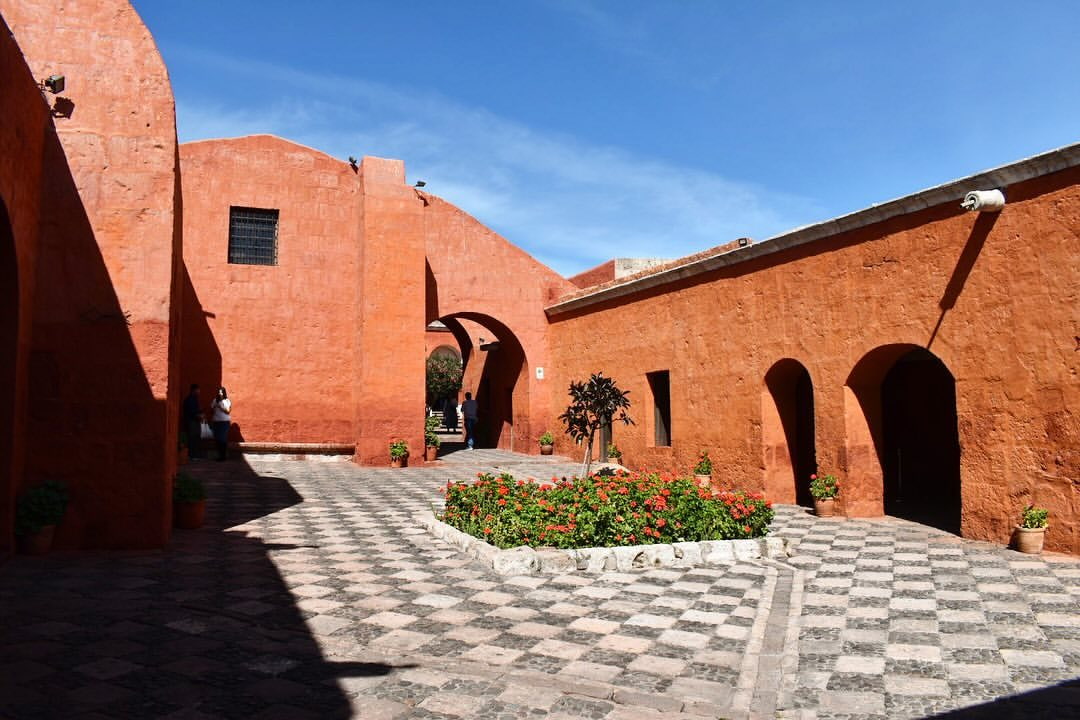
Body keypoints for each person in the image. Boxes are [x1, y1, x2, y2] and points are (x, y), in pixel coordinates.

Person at [209, 386, 232, 461]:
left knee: (223, 439)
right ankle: (220, 455)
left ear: (224, 393)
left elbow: (228, 411)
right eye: (219, 391)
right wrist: (214, 406)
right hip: (216, 422)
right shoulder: (215, 400)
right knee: (217, 439)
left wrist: (220, 407)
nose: (220, 393)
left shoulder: (227, 401)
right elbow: (211, 411)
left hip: (224, 423)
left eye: (221, 392)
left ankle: (223, 456)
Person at [182, 384, 204, 459]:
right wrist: (199, 415)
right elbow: (191, 411)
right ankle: (192, 455)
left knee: (195, 438)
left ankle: (194, 455)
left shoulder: (194, 399)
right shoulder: (190, 399)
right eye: (198, 390)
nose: (199, 391)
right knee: (192, 438)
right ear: (193, 390)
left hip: (194, 421)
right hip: (191, 422)